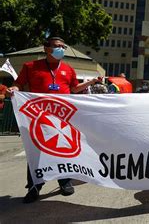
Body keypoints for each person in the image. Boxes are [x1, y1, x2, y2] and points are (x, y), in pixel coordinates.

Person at [6, 36, 102, 203]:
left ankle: (65, 182)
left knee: (63, 149)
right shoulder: (30, 67)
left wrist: (91, 82)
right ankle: (35, 185)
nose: (61, 50)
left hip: (61, 119)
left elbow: (74, 88)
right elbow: (19, 84)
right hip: (37, 118)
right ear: (46, 48)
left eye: (63, 47)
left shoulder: (68, 69)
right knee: (36, 152)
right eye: (57, 46)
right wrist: (14, 88)